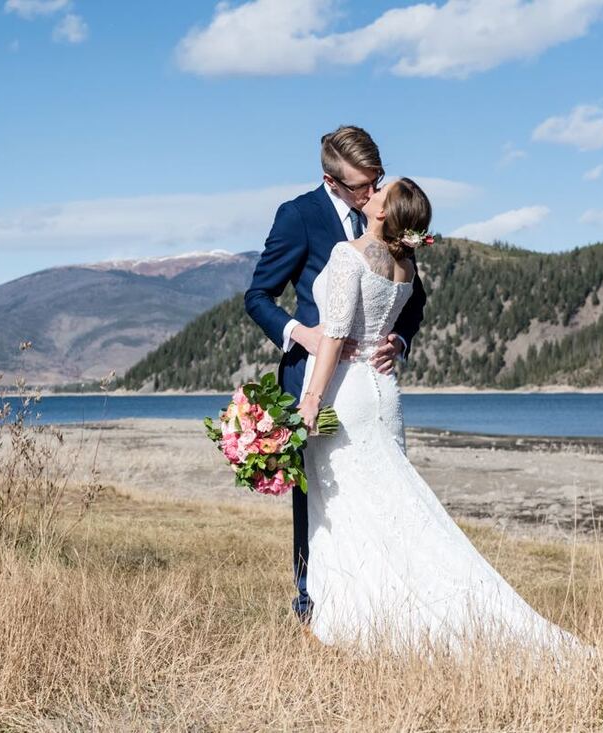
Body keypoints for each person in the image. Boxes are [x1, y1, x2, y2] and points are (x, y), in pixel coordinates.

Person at [296, 177, 580, 655]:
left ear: (385, 214)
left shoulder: (352, 255)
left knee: (346, 509)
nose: (372, 193)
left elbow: (336, 334)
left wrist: (310, 399)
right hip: (385, 392)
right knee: (394, 510)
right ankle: (391, 613)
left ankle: (357, 622)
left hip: (350, 395)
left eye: (380, 194)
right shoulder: (404, 264)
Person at [244, 125, 427, 622]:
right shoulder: (298, 216)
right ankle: (311, 606)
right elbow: (257, 296)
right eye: (361, 187)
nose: (371, 194)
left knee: (379, 494)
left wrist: (399, 339)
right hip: (313, 378)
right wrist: (299, 332)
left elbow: (415, 299)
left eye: (377, 181)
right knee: (318, 502)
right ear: (332, 180)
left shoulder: (387, 219)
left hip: (369, 383)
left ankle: (382, 605)